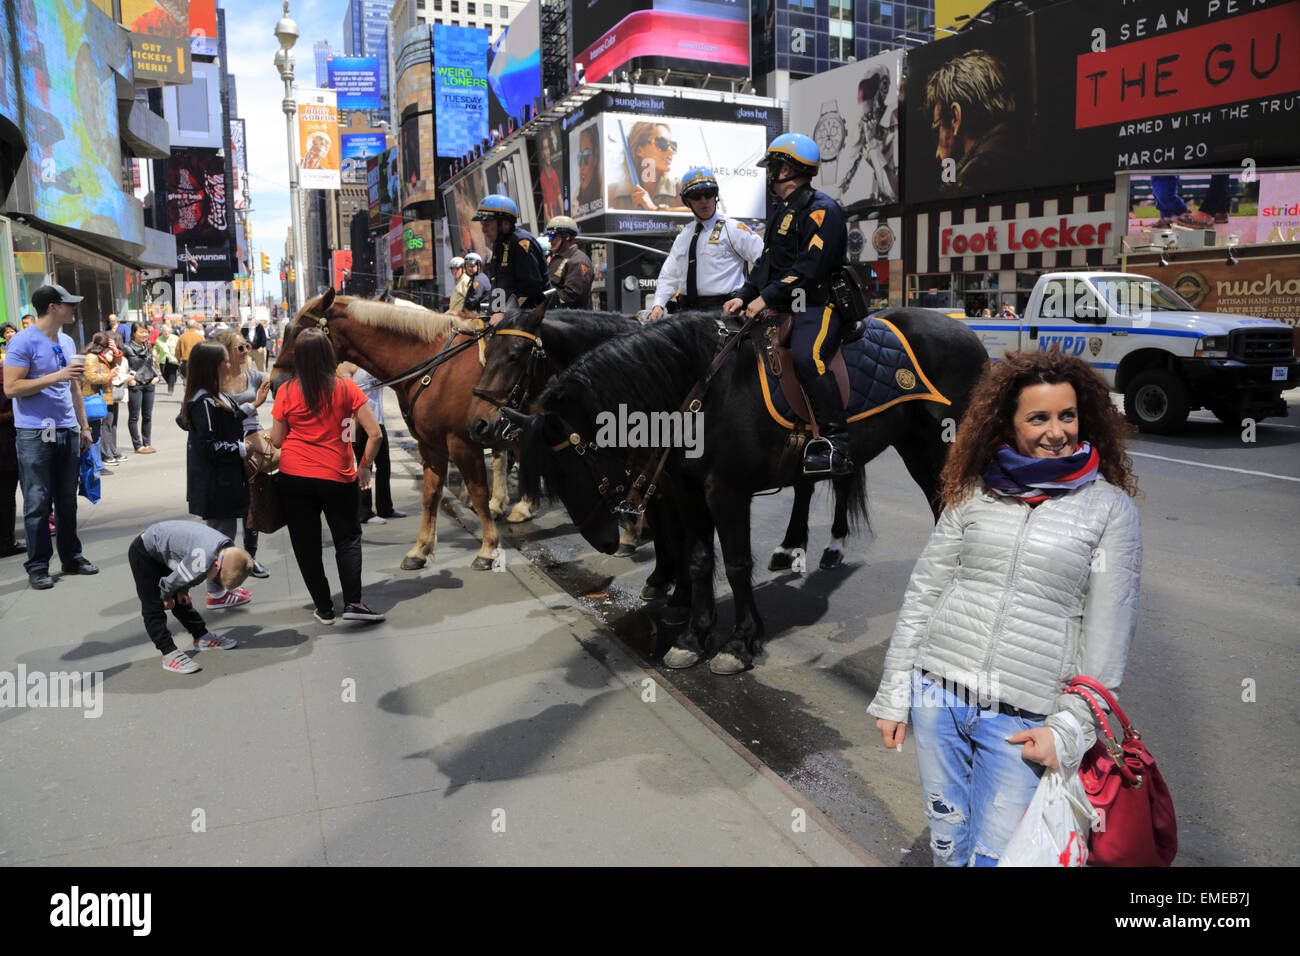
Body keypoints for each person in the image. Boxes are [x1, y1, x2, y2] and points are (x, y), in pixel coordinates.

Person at [868, 348, 1142, 867]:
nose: (1056, 431)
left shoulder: (1109, 509)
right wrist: (895, 694)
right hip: (939, 700)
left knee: (1000, 858)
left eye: (1067, 415)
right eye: (1038, 418)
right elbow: (925, 592)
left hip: (1022, 721)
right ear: (1008, 423)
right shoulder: (973, 491)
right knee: (949, 848)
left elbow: (1109, 638)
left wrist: (1068, 731)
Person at [724, 133, 851, 477]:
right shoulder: (782, 212)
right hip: (784, 303)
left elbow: (810, 269)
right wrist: (745, 295)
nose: (769, 174)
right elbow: (766, 266)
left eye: (774, 167)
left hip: (818, 303)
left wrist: (767, 297)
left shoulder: (824, 209)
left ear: (789, 169)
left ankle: (836, 442)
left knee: (807, 357)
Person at [270, 329, 385, 624]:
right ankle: (353, 604)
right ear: (328, 354)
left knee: (306, 545)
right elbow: (374, 434)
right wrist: (364, 467)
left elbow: (278, 440)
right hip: (338, 475)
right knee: (347, 539)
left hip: (294, 476)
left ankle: (323, 608)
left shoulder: (286, 391)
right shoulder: (347, 388)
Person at [2, 284, 98, 590]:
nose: (74, 309)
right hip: (33, 432)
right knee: (37, 501)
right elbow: (11, 388)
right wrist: (56, 376)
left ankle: (71, 556)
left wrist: (83, 426)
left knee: (67, 499)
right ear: (53, 307)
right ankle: (39, 565)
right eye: (69, 304)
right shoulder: (22, 342)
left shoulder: (68, 340)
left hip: (67, 429)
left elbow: (73, 388)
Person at [179, 341, 261, 609]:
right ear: (211, 366)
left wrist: (254, 403)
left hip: (223, 482)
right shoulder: (203, 401)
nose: (230, 364)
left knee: (221, 537)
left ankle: (218, 589)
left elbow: (233, 415)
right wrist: (242, 448)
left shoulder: (213, 396)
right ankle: (216, 592)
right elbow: (209, 445)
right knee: (219, 540)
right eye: (225, 360)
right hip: (216, 484)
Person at [129, 519, 254, 675]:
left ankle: (201, 637)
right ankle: (168, 652)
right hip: (144, 554)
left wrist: (183, 590)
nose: (213, 581)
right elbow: (173, 582)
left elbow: (189, 575)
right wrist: (166, 596)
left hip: (164, 552)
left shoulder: (226, 549)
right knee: (154, 606)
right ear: (217, 565)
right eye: (216, 579)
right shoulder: (203, 557)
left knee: (182, 600)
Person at [650, 168, 764, 318]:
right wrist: (658, 305)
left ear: (715, 196)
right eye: (696, 196)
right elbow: (669, 275)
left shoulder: (733, 229)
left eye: (709, 194)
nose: (704, 200)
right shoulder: (684, 236)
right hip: (685, 314)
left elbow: (765, 262)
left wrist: (751, 298)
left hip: (723, 313)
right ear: (687, 201)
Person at [213, 329, 273, 578]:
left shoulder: (253, 375)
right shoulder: (214, 381)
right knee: (230, 508)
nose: (246, 352)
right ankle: (226, 562)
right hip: (228, 446)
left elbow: (280, 381)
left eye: (247, 346)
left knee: (252, 504)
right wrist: (254, 405)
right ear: (225, 351)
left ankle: (250, 557)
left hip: (253, 444)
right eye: (240, 348)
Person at [923, 48, 1017, 197]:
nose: (937, 153)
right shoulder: (1015, 152)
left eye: (938, 128)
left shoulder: (973, 178)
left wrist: (948, 167)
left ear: (955, 117)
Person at [340, 362, 404, 525]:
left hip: (376, 420)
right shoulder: (345, 365)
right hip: (355, 423)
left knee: (384, 465)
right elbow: (344, 397)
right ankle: (363, 512)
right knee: (363, 464)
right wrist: (350, 427)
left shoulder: (371, 361)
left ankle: (385, 507)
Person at [472, 194, 548, 312]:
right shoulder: (499, 245)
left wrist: (505, 314)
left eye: (486, 224)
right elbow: (500, 289)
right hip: (506, 318)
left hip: (525, 318)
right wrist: (492, 314)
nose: (483, 230)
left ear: (505, 223)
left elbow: (530, 289)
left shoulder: (521, 243)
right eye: (482, 225)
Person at [840, 67, 899, 202]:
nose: (863, 99)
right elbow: (846, 176)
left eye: (867, 90)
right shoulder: (865, 125)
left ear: (884, 87)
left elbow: (892, 192)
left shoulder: (893, 121)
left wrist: (873, 145)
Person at [607, 122, 689, 213]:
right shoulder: (612, 193)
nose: (670, 151)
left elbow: (703, 212)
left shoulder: (679, 188)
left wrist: (655, 210)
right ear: (640, 150)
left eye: (673, 145)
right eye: (662, 143)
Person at [80, 333, 117, 468]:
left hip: (91, 397)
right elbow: (92, 378)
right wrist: (110, 375)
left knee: (95, 434)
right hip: (90, 398)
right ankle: (95, 465)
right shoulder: (91, 357)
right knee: (94, 435)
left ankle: (96, 464)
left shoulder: (91, 356)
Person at [122, 322, 159, 454]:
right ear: (133, 333)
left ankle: (147, 443)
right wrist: (128, 378)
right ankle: (138, 445)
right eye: (141, 332)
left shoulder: (147, 346)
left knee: (147, 416)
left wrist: (156, 377)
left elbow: (150, 364)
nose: (144, 334)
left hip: (149, 384)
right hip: (136, 385)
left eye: (146, 332)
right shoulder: (126, 348)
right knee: (134, 417)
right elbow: (121, 365)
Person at [543, 216, 595, 310]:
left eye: (552, 236)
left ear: (567, 236)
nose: (549, 240)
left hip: (572, 321)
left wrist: (543, 298)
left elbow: (571, 296)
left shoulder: (578, 261)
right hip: (556, 317)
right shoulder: (557, 258)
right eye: (548, 236)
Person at [0, 370, 22, 557]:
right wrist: (15, 413)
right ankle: (6, 542)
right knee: (6, 497)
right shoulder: (6, 374)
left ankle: (7, 541)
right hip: (6, 446)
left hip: (8, 446)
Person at [574, 125, 602, 216]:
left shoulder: (607, 196)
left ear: (596, 158)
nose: (582, 165)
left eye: (586, 155)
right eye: (579, 156)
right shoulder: (575, 201)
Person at [153, 321, 180, 396]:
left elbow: (179, 347)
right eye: (164, 332)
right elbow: (155, 348)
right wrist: (154, 355)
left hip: (173, 359)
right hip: (163, 359)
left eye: (167, 332)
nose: (166, 333)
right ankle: (171, 382)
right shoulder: (159, 339)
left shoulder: (175, 338)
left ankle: (170, 389)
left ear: (170, 331)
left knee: (171, 373)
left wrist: (176, 353)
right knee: (163, 372)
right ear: (162, 332)